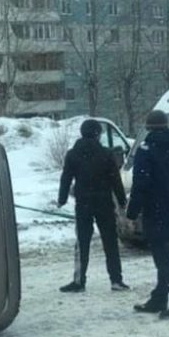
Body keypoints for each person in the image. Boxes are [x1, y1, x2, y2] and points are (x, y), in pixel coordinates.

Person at [126, 110, 169, 319]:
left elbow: (141, 184)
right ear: (166, 125)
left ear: (148, 128)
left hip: (155, 213)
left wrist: (132, 213)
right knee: (166, 255)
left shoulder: (146, 151)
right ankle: (159, 298)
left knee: (163, 260)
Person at [57, 118, 129, 293]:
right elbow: (115, 180)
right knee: (110, 241)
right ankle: (116, 280)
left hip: (83, 204)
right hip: (104, 203)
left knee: (82, 242)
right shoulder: (106, 154)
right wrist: (121, 201)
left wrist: (62, 198)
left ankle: (79, 281)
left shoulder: (73, 154)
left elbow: (66, 178)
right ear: (97, 134)